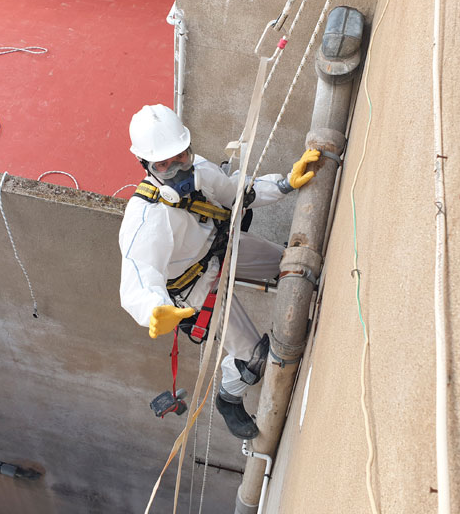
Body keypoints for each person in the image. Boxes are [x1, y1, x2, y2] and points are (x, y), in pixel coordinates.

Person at [118, 104, 320, 439]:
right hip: (193, 286)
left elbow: (237, 192)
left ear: (188, 149)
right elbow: (139, 275)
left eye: (181, 157)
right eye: (164, 165)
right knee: (254, 361)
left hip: (221, 246)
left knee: (291, 264)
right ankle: (229, 398)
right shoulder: (148, 218)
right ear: (146, 166)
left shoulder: (200, 170)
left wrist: (284, 183)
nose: (178, 169)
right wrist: (155, 309)